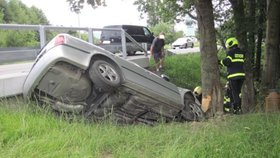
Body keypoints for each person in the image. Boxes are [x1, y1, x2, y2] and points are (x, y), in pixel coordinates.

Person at [219, 37, 245, 114]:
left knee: (234, 92)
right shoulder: (242, 53)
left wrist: (220, 62)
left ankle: (236, 109)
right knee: (238, 92)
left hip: (233, 76)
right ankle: (239, 108)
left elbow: (227, 62)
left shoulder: (230, 52)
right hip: (241, 76)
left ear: (231, 44)